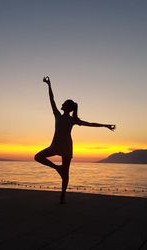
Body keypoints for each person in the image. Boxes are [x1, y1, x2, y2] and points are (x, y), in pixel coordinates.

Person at [34, 76, 116, 204]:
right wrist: (49, 85)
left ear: (67, 107)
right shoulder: (59, 115)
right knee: (38, 157)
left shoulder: (71, 119)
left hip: (64, 146)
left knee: (65, 172)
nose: (61, 104)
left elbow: (90, 124)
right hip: (57, 145)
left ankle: (62, 196)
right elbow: (52, 99)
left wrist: (105, 125)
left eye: (64, 104)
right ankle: (57, 169)